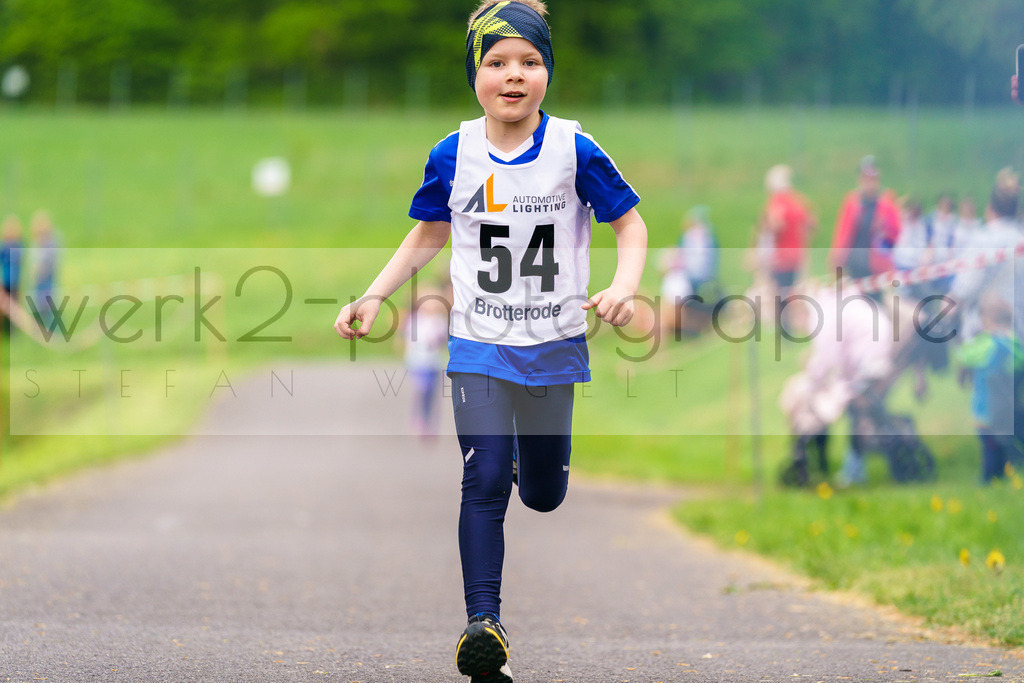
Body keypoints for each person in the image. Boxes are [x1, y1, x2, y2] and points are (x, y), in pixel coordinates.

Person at [333, 2, 647, 680]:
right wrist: (373, 294)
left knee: (541, 493)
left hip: (554, 345)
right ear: (474, 73)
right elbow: (427, 234)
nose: (514, 76)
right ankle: (484, 623)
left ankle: (523, 469)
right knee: (482, 479)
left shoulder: (574, 149)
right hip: (477, 342)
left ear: (548, 72)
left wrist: (624, 285)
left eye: (530, 63)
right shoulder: (454, 154)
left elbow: (631, 225)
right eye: (497, 63)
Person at [955, 293, 1024, 483]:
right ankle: (1004, 474)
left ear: (986, 320)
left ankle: (989, 480)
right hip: (1008, 406)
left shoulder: (986, 344)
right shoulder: (1014, 344)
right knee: (1004, 443)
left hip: (986, 410)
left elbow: (964, 356)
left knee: (990, 448)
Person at [829, 155, 902, 281]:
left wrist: (883, 230)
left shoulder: (886, 204)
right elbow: (843, 232)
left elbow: (895, 234)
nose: (869, 183)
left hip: (876, 266)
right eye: (865, 178)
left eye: (872, 179)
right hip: (853, 263)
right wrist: (837, 256)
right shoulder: (853, 202)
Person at [658, 205, 718, 339]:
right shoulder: (690, 237)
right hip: (687, 275)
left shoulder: (704, 238)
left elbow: (703, 264)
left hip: (696, 276)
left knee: (674, 282)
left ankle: (672, 319)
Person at [401, 283, 451, 439]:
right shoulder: (414, 320)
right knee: (423, 389)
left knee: (431, 394)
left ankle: (429, 423)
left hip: (433, 363)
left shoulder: (439, 321)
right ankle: (419, 419)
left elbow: (442, 338)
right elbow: (409, 337)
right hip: (417, 362)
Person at [759, 164, 816, 297]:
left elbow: (775, 225)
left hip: (781, 259)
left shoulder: (775, 201)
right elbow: (812, 223)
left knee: (781, 299)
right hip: (797, 256)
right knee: (794, 296)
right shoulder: (797, 200)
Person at [29, 210, 59, 328]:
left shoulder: (51, 242)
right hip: (38, 279)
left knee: (49, 304)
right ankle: (40, 329)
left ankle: (52, 329)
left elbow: (51, 260)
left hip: (47, 278)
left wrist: (43, 270)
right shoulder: (36, 243)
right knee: (38, 304)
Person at [0, 214, 24, 333]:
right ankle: (5, 328)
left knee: (14, 306)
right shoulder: (4, 247)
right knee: (4, 306)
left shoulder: (19, 246)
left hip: (14, 282)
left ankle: (12, 330)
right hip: (5, 282)